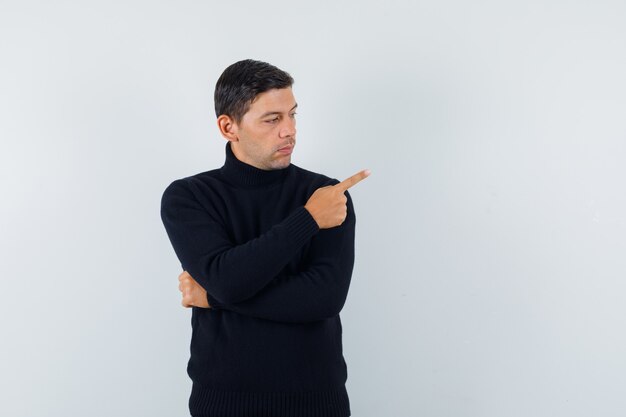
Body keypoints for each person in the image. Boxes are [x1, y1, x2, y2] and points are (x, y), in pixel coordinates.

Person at [160, 58, 370, 417]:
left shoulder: (327, 194)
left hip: (318, 402)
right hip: (224, 404)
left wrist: (212, 297)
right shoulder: (189, 197)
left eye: (292, 115)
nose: (289, 130)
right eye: (272, 119)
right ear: (229, 127)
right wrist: (308, 220)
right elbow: (229, 279)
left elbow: (323, 298)